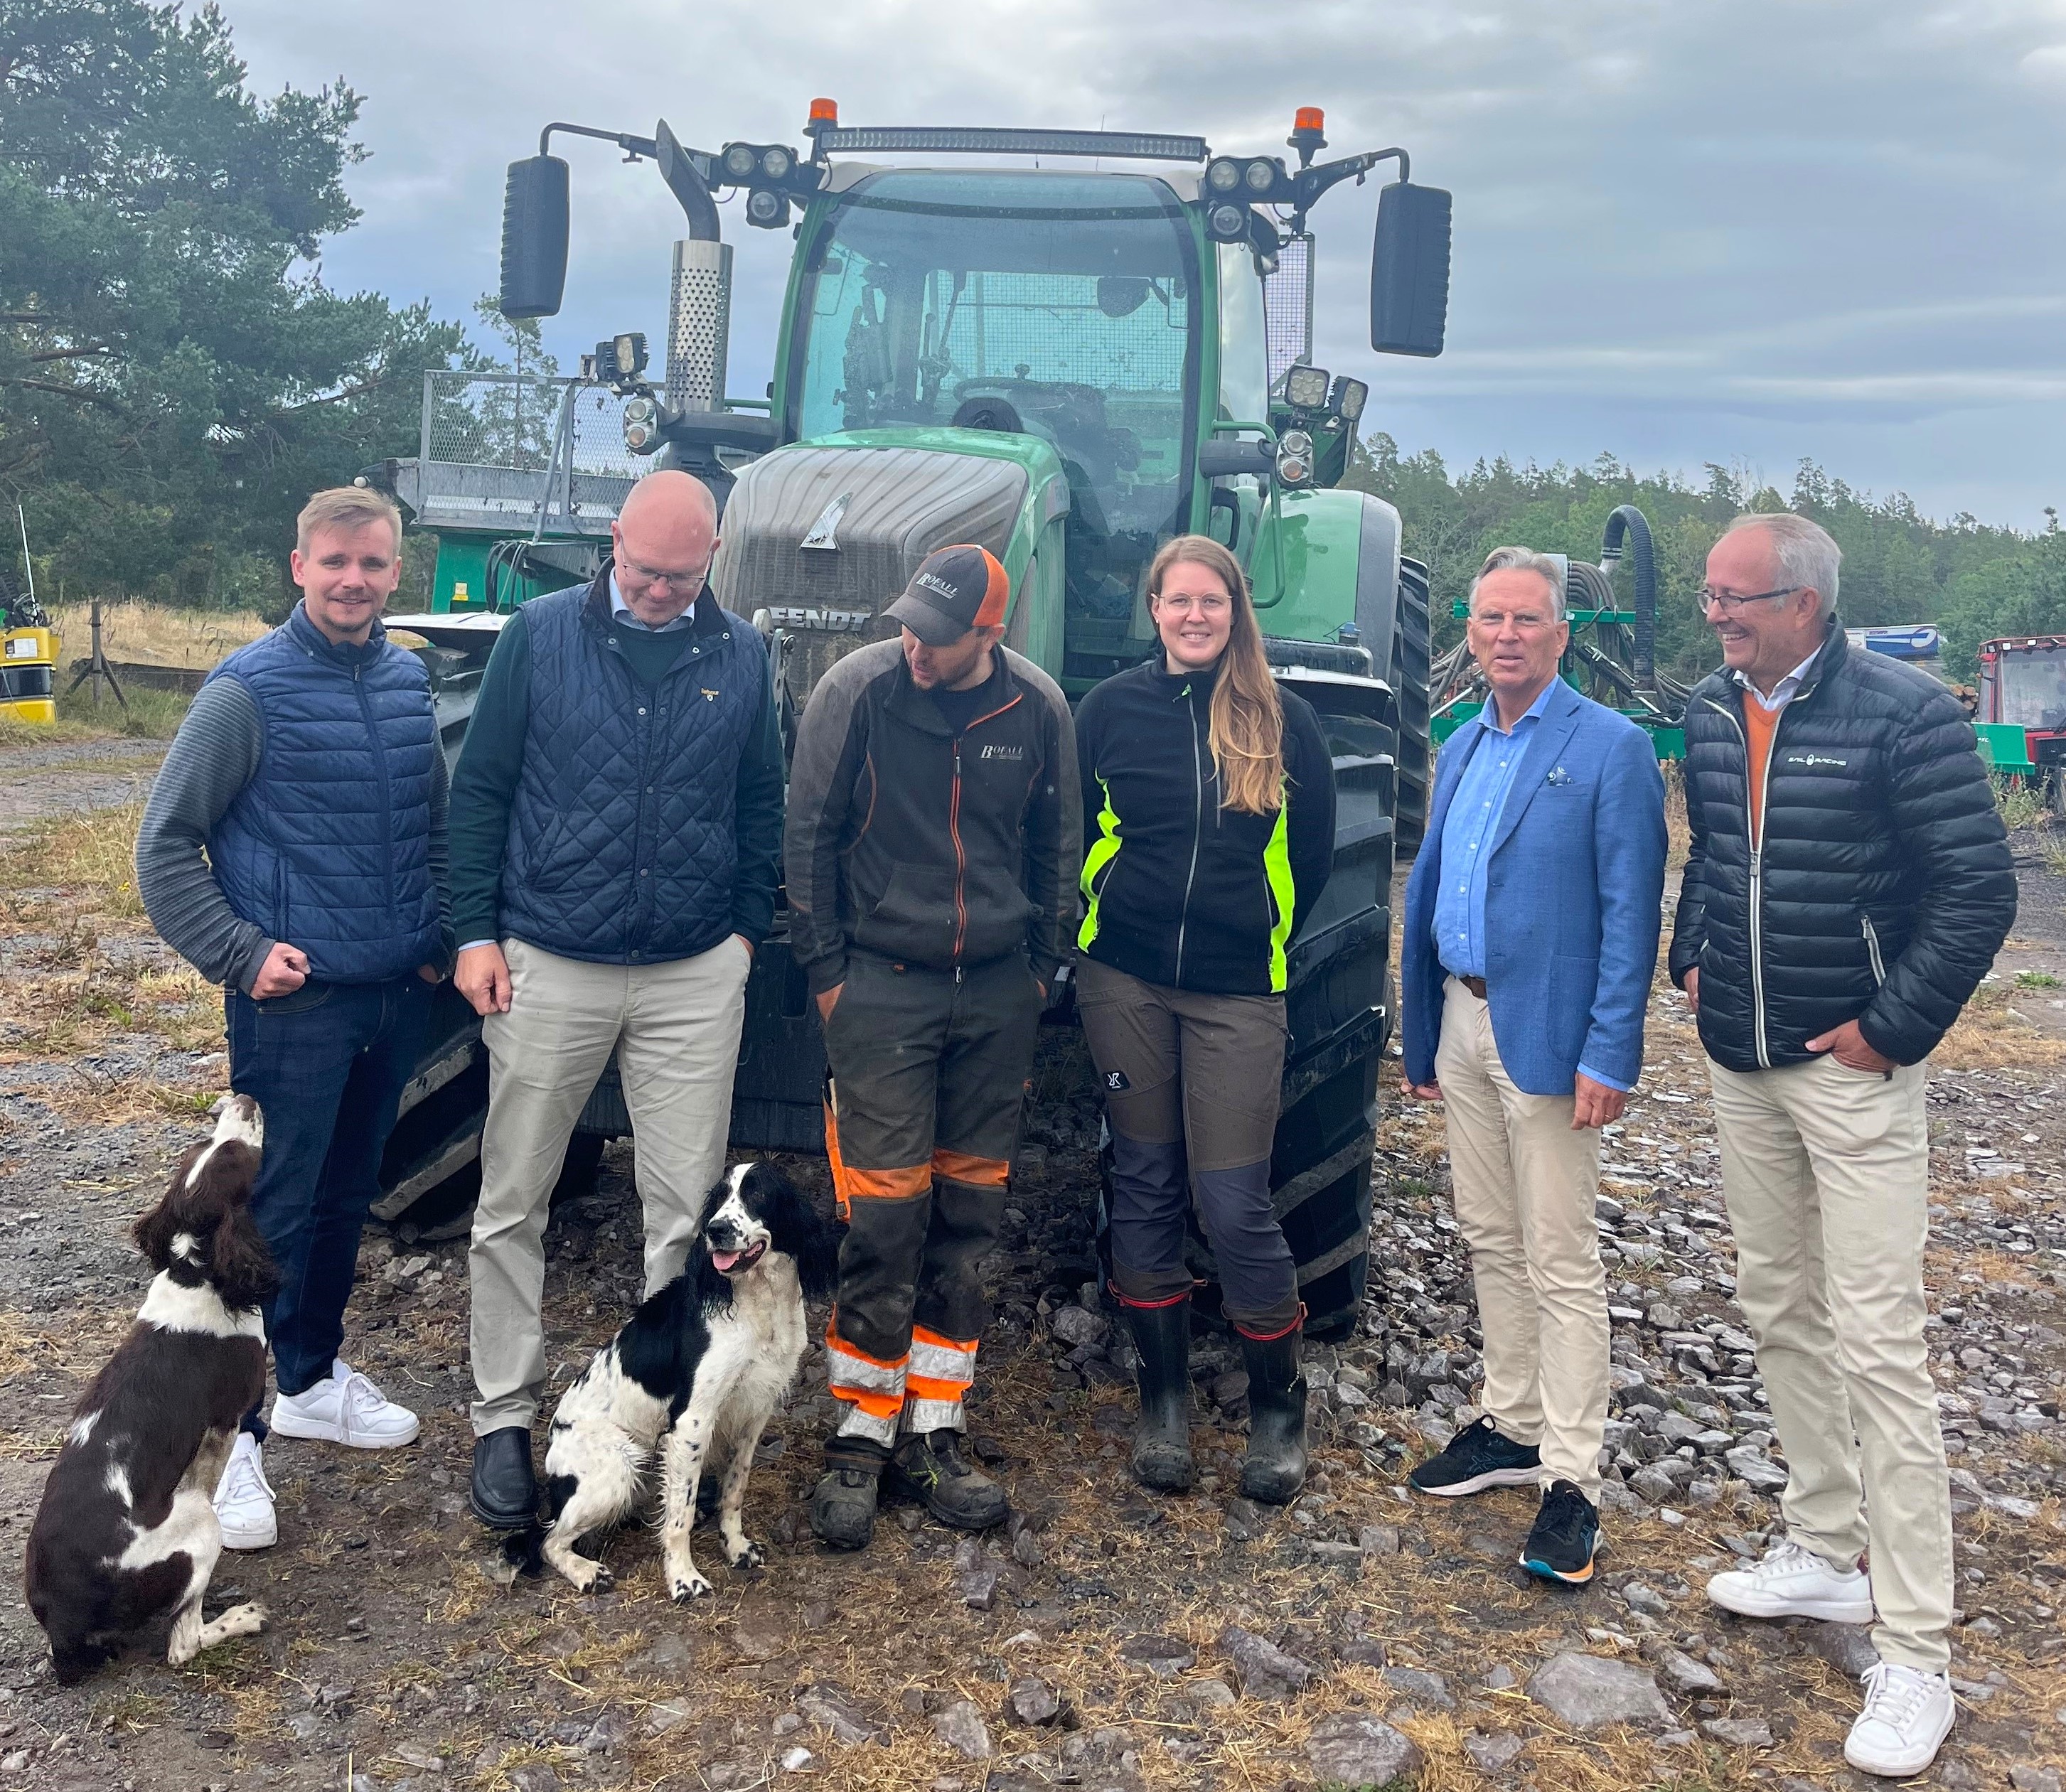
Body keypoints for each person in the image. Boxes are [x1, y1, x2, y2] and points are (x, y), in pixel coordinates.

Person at [1671, 513, 2016, 1778]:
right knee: (1775, 1303)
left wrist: (1890, 1028)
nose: (1715, 616)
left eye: (1734, 598)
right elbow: (1716, 852)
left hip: (1850, 1070)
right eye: (1709, 596)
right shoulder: (1713, 711)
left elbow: (1977, 888)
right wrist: (1691, 955)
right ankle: (1822, 1546)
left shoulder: (1904, 716)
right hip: (1743, 1062)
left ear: (1803, 603)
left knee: (1879, 1342)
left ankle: (1914, 1651)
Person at [448, 469, 784, 1529]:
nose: (656, 590)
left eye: (679, 576)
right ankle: (504, 1414)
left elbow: (761, 802)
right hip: (550, 959)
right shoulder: (538, 636)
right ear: (612, 542)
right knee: (515, 1196)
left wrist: (742, 934)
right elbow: (482, 788)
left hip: (692, 971)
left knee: (688, 1215)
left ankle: (669, 1417)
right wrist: (474, 932)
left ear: (713, 559)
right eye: (641, 570)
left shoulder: (743, 655)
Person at [136, 485, 446, 1551]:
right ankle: (234, 1438)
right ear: (299, 565)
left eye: (373, 563)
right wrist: (239, 952)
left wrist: (436, 933)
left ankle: (309, 1378)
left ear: (396, 570)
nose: (354, 580)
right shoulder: (245, 692)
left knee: (348, 1195)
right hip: (294, 1005)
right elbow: (165, 844)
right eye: (335, 561)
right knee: (269, 1219)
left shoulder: (406, 682)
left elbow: (429, 827)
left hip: (389, 997)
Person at [785, 543, 1079, 1548]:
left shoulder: (1037, 709)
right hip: (881, 988)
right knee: (883, 1213)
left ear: (989, 635)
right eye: (909, 626)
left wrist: (1039, 970)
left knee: (967, 1213)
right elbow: (808, 836)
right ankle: (861, 1431)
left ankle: (935, 1426)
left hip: (996, 995)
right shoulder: (856, 692)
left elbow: (1057, 847)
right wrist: (830, 974)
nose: (915, 646)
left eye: (938, 637)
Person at [1400, 546, 1666, 1584]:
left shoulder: (1609, 748)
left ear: (1561, 633)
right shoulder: (1463, 743)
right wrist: (1423, 1029)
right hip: (1464, 1020)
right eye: (1489, 618)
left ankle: (1572, 1480)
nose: (1506, 635)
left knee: (1559, 1254)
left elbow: (1628, 914)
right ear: (1468, 633)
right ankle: (1510, 1423)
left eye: (1525, 619)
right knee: (1487, 1232)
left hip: (1550, 1036)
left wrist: (1610, 1049)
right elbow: (1432, 889)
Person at [1071, 534, 1336, 1504]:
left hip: (1237, 993)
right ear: (1153, 609)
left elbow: (1309, 862)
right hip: (1123, 981)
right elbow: (1075, 833)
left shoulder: (1285, 721)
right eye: (1177, 600)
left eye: (1210, 601)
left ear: (1235, 611)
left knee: (1232, 1203)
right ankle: (1165, 1404)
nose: (1193, 616)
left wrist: (1250, 937)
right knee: (1144, 1183)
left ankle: (1277, 1410)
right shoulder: (1107, 711)